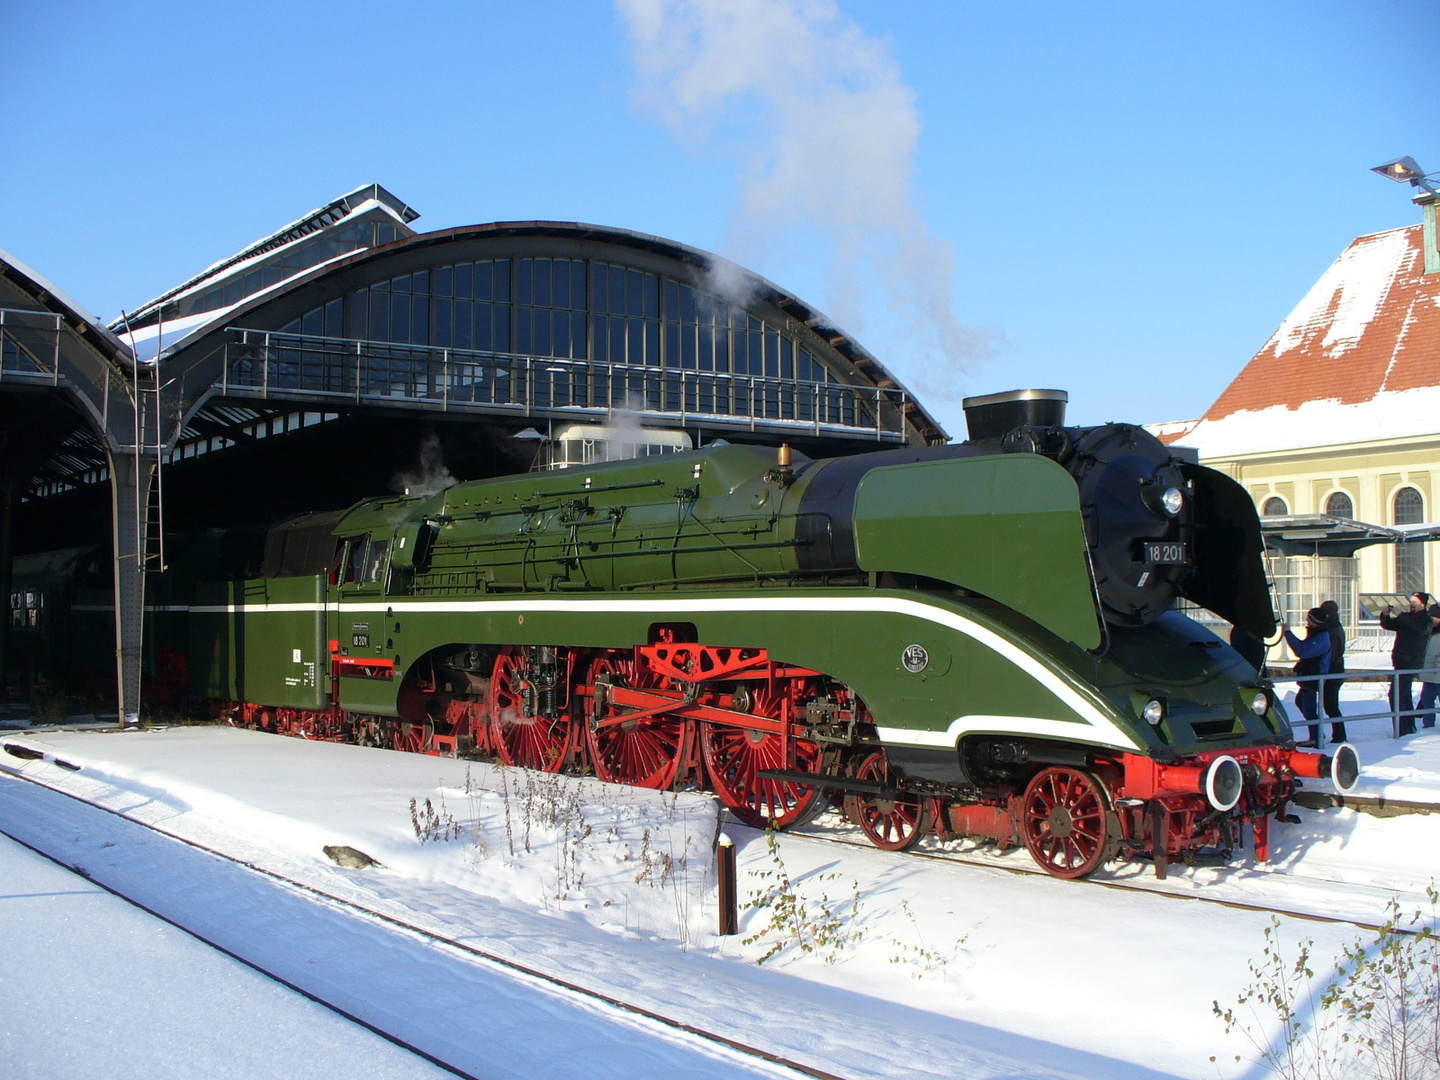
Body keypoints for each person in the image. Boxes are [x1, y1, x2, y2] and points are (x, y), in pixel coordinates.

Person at [1379, 591, 1433, 736]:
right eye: (1411, 601)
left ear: (1422, 604)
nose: (1411, 604)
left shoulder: (1426, 620)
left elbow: (1418, 630)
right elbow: (1390, 625)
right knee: (1404, 695)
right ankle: (1408, 727)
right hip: (1400, 661)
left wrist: (1400, 615)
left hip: (1411, 663)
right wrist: (1385, 615)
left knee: (1396, 695)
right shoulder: (1408, 617)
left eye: (1414, 602)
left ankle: (1402, 729)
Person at [1283, 607, 1332, 748]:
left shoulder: (1321, 637)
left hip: (1314, 677)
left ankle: (1316, 737)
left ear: (1315, 621)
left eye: (1308, 618)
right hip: (1309, 676)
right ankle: (1317, 733)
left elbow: (1303, 650)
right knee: (1300, 701)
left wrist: (1288, 633)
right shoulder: (1317, 634)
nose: (1306, 620)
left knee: (1309, 708)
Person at [1319, 599, 1347, 744]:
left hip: (1333, 670)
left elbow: (1332, 652)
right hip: (1337, 669)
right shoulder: (1337, 626)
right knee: (1331, 705)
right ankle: (1339, 734)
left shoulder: (1330, 630)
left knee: (1331, 705)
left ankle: (1339, 735)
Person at [1416, 603, 1440, 731]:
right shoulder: (1428, 632)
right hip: (1429, 674)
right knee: (1427, 700)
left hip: (1437, 672)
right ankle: (1428, 725)